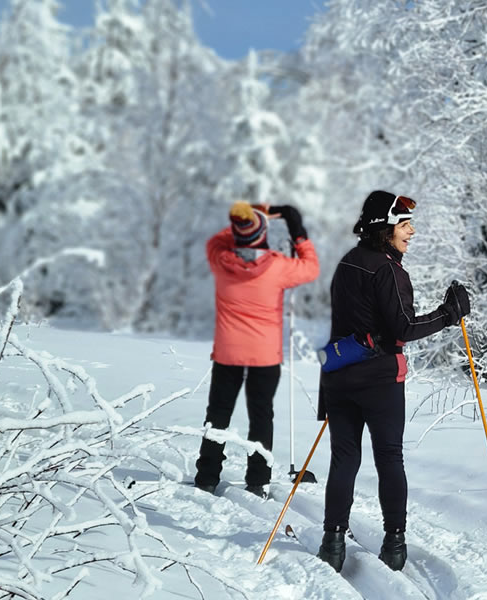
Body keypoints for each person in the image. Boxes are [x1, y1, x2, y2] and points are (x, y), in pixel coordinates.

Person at [316, 190, 469, 572]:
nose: (412, 231)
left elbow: (341, 323)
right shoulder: (389, 270)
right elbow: (403, 328)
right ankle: (394, 545)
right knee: (389, 458)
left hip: (339, 377)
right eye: (404, 225)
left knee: (344, 460)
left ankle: (332, 544)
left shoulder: (347, 263)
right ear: (384, 228)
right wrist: (450, 313)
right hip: (379, 381)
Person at [195, 202, 319, 497]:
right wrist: (295, 229)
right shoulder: (277, 266)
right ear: (263, 233)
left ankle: (207, 477)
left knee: (218, 414)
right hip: (264, 355)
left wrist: (246, 217)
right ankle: (258, 479)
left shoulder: (221, 260)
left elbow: (218, 239)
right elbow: (311, 267)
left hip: (228, 353)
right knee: (261, 416)